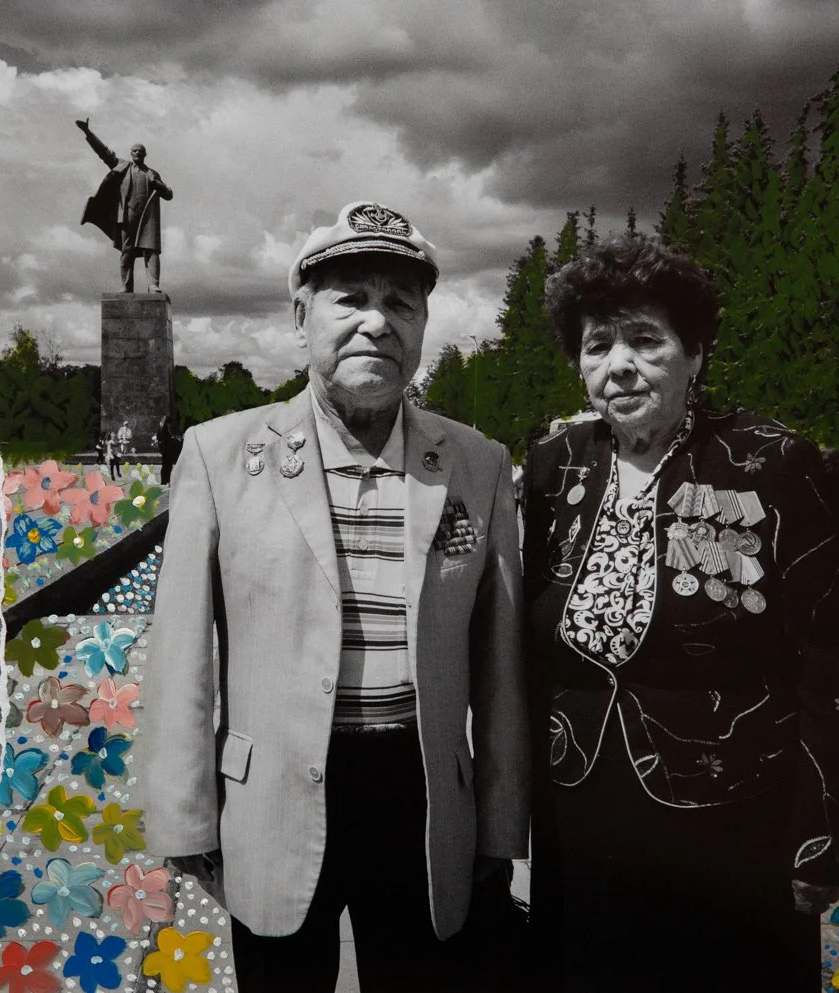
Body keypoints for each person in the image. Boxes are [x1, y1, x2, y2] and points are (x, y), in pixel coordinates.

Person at [140, 201, 528, 993]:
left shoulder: (478, 464)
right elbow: (180, 653)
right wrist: (183, 815)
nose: (376, 322)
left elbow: (500, 670)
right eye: (351, 297)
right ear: (300, 314)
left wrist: (500, 822)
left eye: (400, 302)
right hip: (271, 799)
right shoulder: (218, 455)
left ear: (422, 323)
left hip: (422, 801)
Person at [524, 236, 839, 991]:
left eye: (646, 341)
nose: (618, 365)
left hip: (729, 821)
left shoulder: (771, 462)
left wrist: (820, 833)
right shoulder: (558, 464)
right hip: (580, 810)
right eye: (597, 345)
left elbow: (833, 653)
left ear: (696, 355)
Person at [77, 118, 174, 293]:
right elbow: (104, 153)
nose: (137, 153)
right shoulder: (122, 166)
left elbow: (169, 195)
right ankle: (126, 286)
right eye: (134, 150)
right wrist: (88, 133)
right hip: (127, 215)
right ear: (131, 153)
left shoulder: (152, 173)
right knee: (126, 251)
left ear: (145, 154)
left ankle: (153, 285)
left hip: (148, 218)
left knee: (151, 251)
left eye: (140, 151)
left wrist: (157, 184)